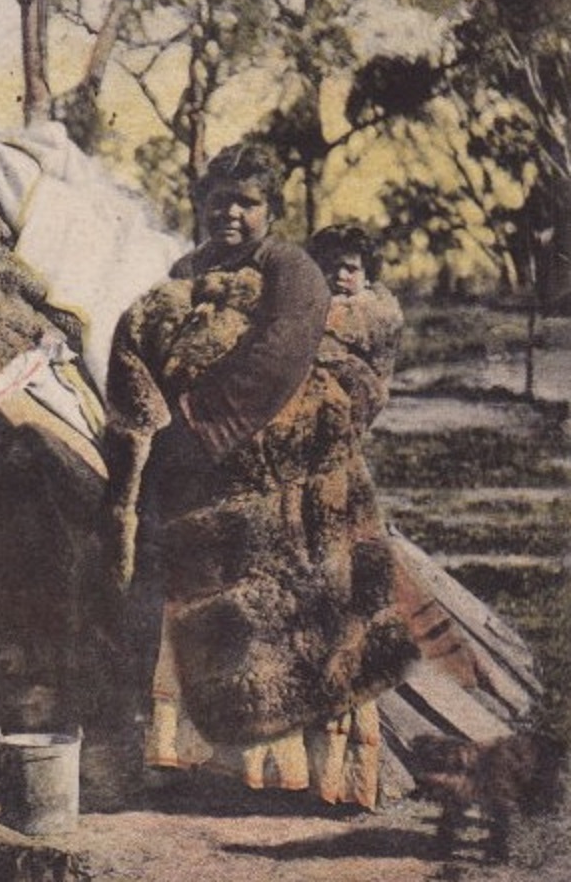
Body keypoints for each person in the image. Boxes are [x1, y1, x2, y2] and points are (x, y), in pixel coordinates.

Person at [104, 144, 417, 808]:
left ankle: (310, 781)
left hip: (293, 483)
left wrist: (196, 425)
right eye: (220, 201)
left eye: (246, 203)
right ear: (202, 205)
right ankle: (225, 777)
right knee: (228, 626)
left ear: (269, 211)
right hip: (215, 487)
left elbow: (279, 357)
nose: (231, 214)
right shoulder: (188, 271)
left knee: (303, 619)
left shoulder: (292, 271)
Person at [306, 223, 404, 434]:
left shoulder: (373, 313)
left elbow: (376, 382)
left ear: (367, 276)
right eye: (329, 267)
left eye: (350, 269)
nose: (340, 275)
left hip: (347, 411)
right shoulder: (308, 305)